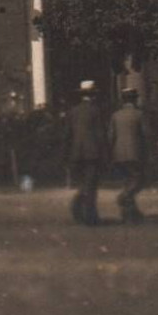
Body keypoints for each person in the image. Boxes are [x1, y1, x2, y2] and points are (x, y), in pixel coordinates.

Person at [64, 79, 106, 225]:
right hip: (92, 153)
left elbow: (67, 135)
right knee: (91, 185)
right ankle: (90, 216)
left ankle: (79, 209)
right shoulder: (96, 110)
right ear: (93, 95)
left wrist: (67, 154)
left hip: (76, 153)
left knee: (83, 183)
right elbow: (100, 134)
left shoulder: (73, 111)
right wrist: (105, 153)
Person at [108, 86, 149, 223]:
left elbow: (111, 136)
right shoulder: (139, 114)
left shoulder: (115, 115)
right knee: (138, 180)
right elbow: (146, 134)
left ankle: (130, 214)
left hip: (119, 154)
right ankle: (124, 197)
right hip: (135, 152)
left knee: (127, 181)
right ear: (134, 99)